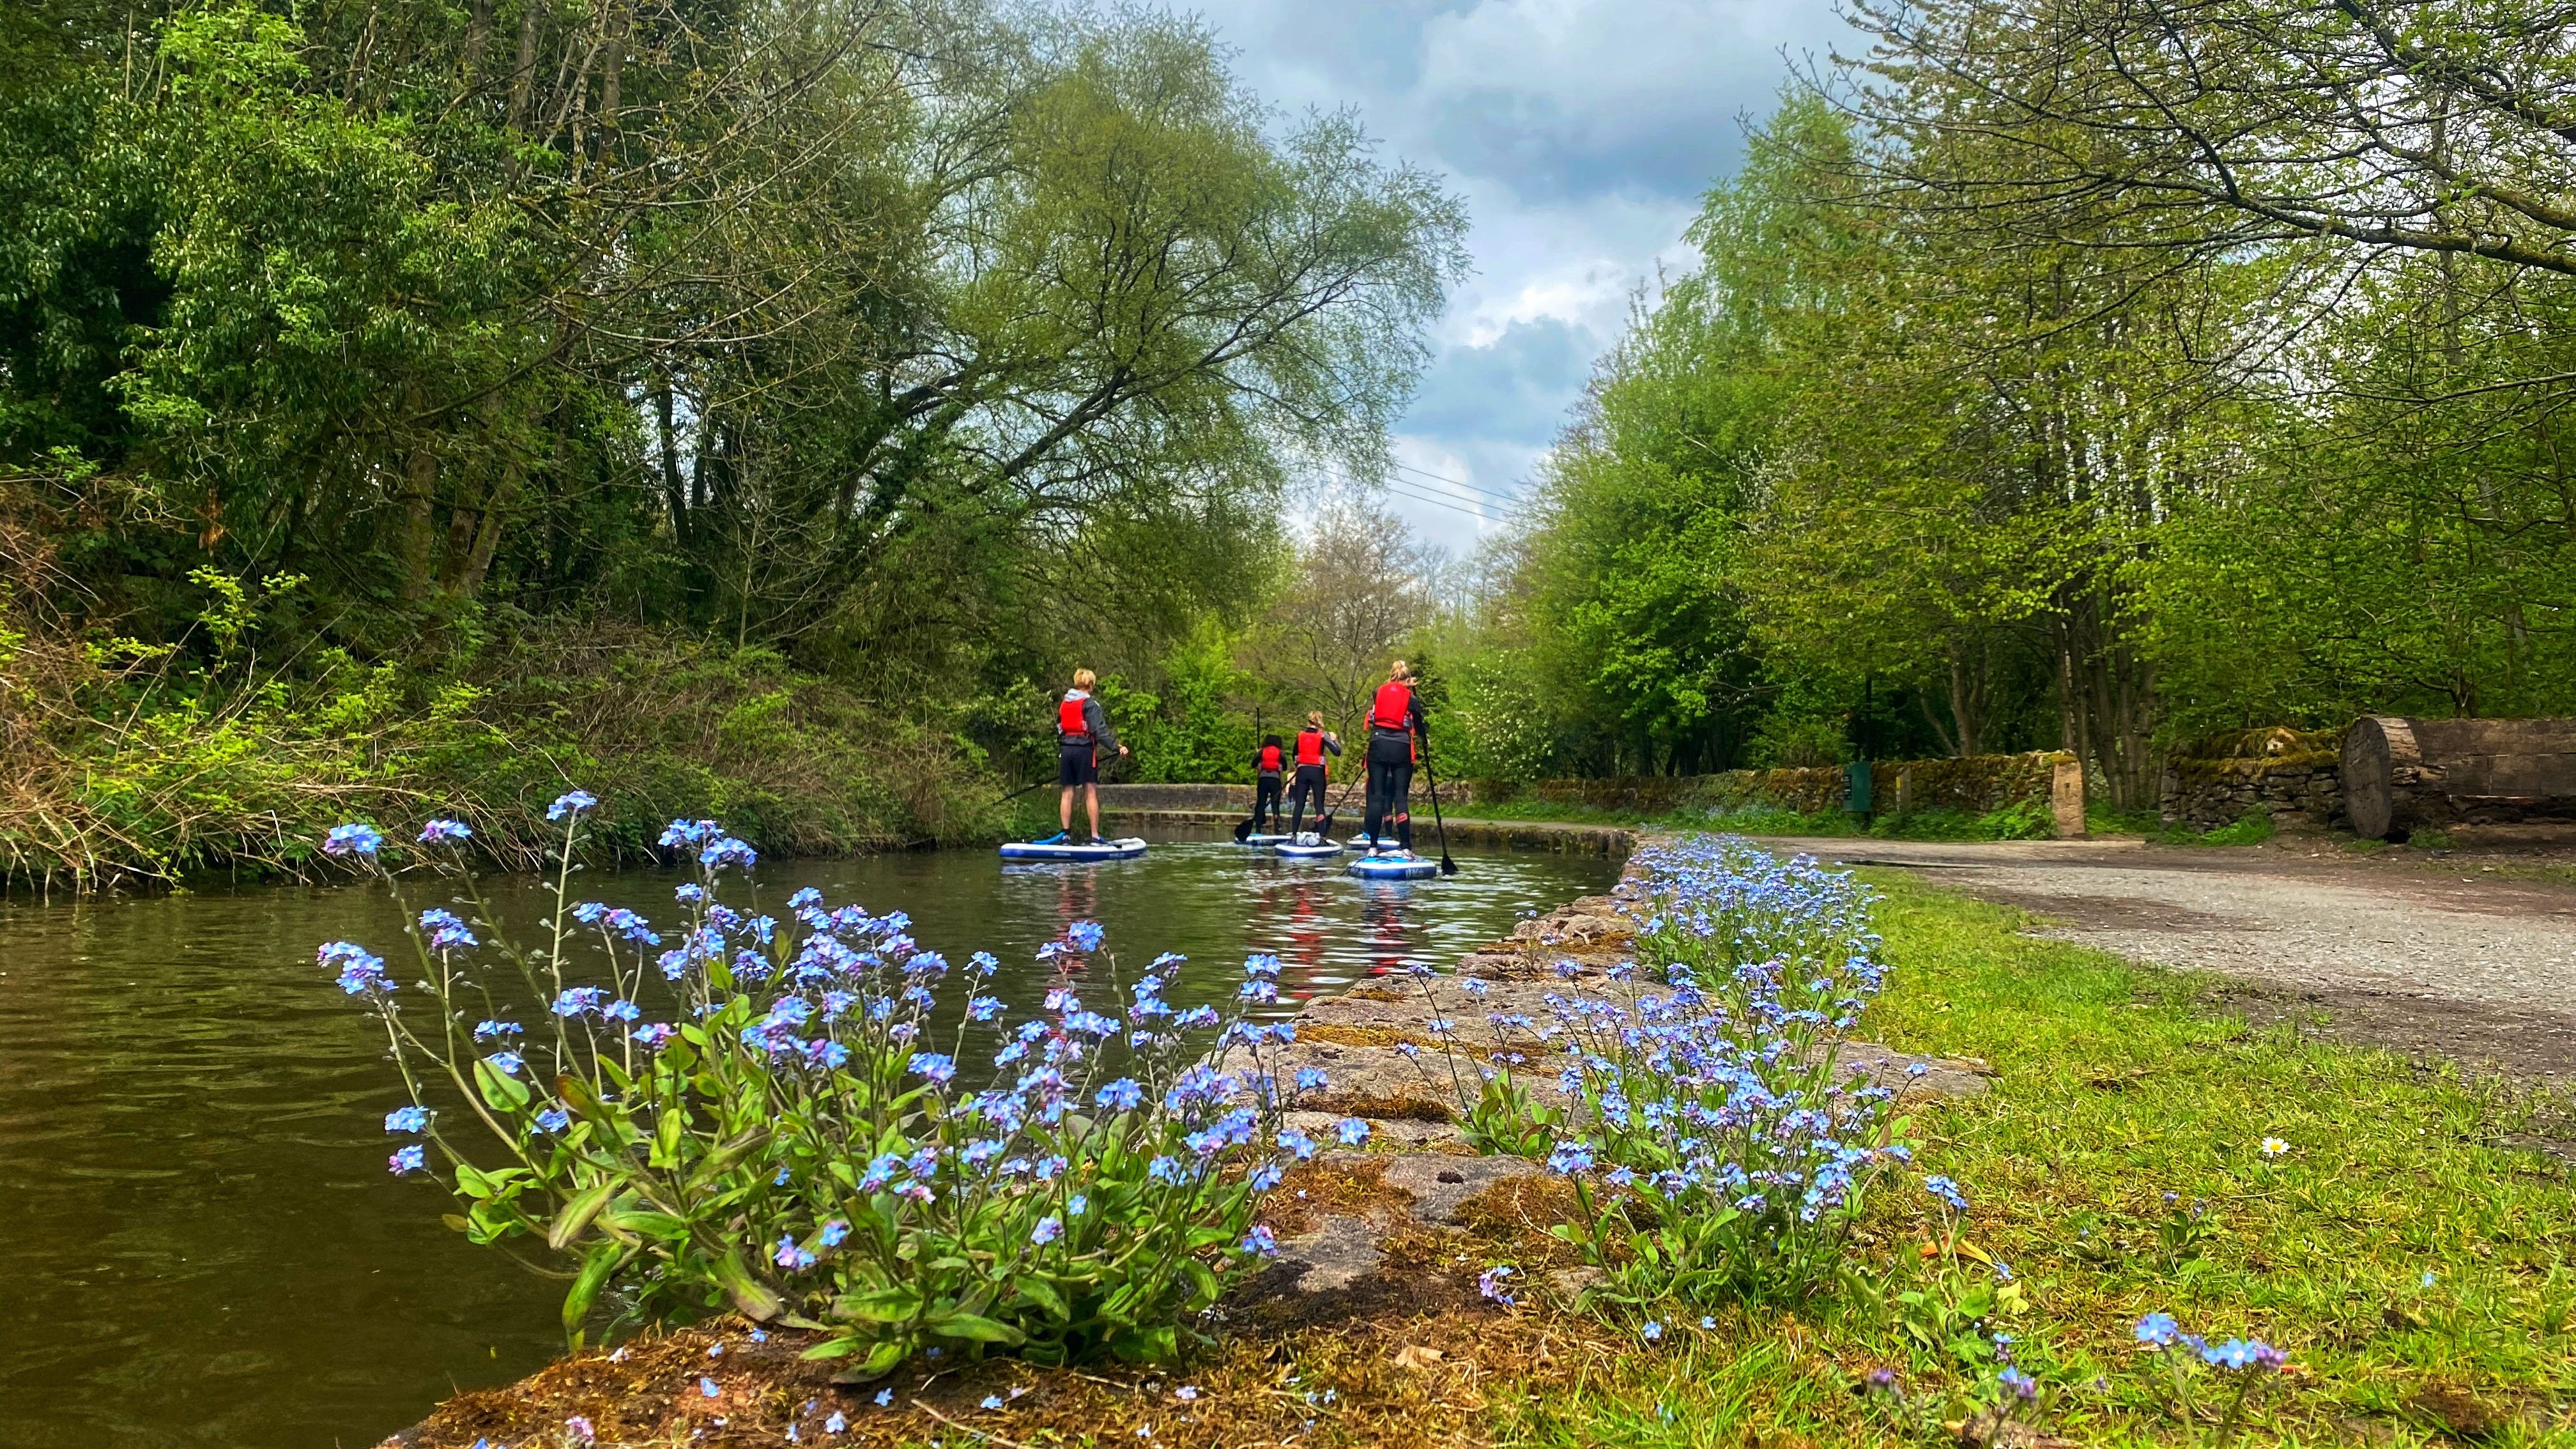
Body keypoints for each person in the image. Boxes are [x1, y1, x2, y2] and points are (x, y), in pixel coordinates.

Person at [1043, 669, 1126, 844]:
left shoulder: (1064, 704)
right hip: (1084, 751)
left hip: (1066, 751)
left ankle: (1066, 835)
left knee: (1067, 792)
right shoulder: (1091, 705)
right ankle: (1095, 836)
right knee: (1090, 791)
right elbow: (1100, 731)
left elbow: (1060, 727)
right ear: (1090, 686)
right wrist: (1117, 747)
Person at [1360, 660, 1426, 855]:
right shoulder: (1411, 698)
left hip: (1378, 745)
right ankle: (1406, 847)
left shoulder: (1377, 691)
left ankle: (1372, 847)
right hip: (1401, 747)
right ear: (1408, 680)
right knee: (1400, 798)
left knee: (1376, 798)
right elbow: (1419, 723)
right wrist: (1424, 740)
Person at [1285, 710, 1341, 841]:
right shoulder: (1324, 736)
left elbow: (1294, 755)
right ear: (1320, 721)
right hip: (1317, 773)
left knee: (1299, 803)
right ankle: (1321, 835)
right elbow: (1337, 752)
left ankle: (1293, 833)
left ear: (1309, 721)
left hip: (1303, 772)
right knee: (1319, 804)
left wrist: (1299, 765)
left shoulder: (1300, 736)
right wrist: (1335, 740)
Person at [1251, 734, 1287, 833]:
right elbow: (1285, 767)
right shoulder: (1280, 752)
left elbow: (1253, 764)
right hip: (1275, 780)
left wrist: (1258, 756)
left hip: (1263, 779)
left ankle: (1258, 828)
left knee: (1261, 803)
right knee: (1275, 805)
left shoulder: (1262, 751)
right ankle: (1277, 828)